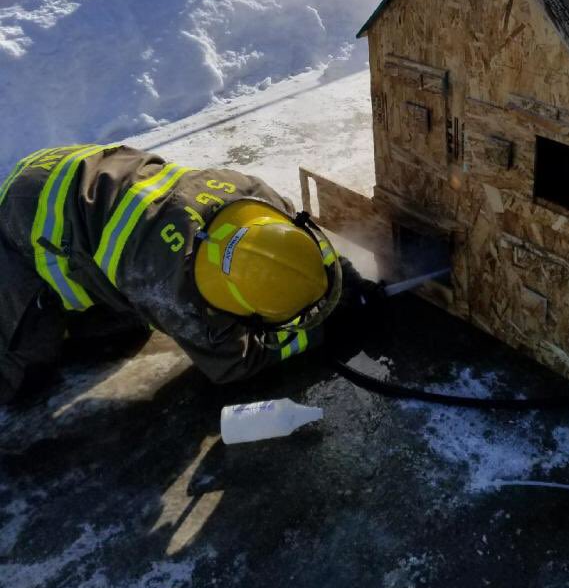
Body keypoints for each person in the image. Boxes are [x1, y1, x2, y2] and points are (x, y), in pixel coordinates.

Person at [0, 143, 378, 403]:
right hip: (23, 216)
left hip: (83, 168)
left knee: (121, 335)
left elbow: (299, 245)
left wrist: (340, 280)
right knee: (26, 374)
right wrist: (322, 333)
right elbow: (233, 363)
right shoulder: (172, 288)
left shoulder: (257, 196)